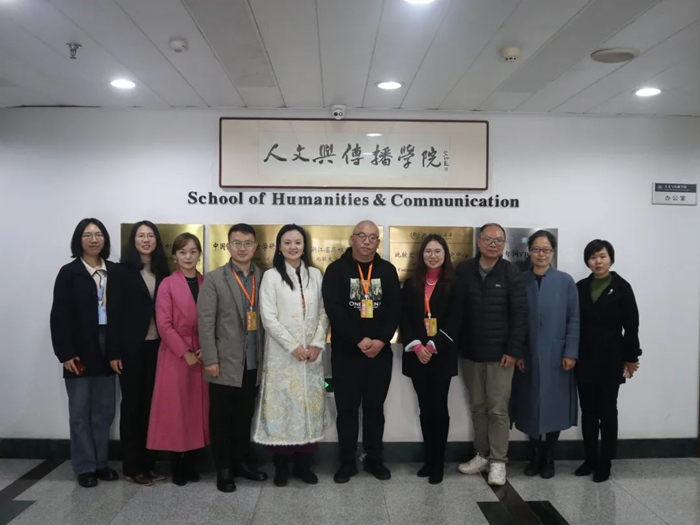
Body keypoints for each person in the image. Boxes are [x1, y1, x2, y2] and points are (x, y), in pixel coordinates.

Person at [322, 220, 401, 484]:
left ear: (378, 241)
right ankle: (347, 462)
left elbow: (394, 309)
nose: (367, 241)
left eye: (372, 237)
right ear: (351, 239)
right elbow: (334, 309)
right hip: (346, 354)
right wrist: (358, 339)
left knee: (374, 409)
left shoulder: (387, 271)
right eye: (361, 236)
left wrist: (380, 340)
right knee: (346, 410)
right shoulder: (336, 270)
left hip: (379, 354)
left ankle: (374, 459)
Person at [253, 224, 330, 487]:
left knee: (308, 408)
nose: (293, 247)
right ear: (279, 246)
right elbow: (268, 318)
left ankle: (304, 466)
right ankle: (282, 467)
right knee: (284, 410)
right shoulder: (271, 277)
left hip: (311, 357)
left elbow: (324, 312)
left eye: (298, 242)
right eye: (287, 242)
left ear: (304, 246)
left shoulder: (315, 275)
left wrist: (317, 344)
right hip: (283, 357)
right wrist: (292, 346)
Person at [50, 218, 121, 488]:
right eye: (87, 235)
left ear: (105, 240)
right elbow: (59, 316)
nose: (94, 240)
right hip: (79, 347)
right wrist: (65, 353)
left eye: (99, 234)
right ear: (78, 240)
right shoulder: (69, 273)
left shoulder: (114, 271)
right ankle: (84, 466)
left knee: (104, 410)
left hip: (108, 345)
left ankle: (101, 463)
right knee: (80, 411)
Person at [455, 223, 527, 486]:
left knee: (498, 410)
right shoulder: (464, 270)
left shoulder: (511, 272)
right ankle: (482, 455)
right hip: (470, 353)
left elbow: (520, 315)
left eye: (498, 240)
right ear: (479, 242)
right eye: (488, 239)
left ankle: (498, 461)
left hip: (501, 357)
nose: (493, 244)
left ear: (504, 244)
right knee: (477, 407)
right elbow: (456, 311)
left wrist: (513, 350)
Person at [198, 223, 267, 493]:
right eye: (236, 243)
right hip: (224, 363)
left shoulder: (263, 277)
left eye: (247, 243)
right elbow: (205, 322)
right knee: (221, 419)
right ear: (228, 246)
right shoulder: (215, 278)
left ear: (255, 246)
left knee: (243, 417)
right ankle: (224, 470)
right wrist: (210, 360)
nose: (242, 248)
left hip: (253, 363)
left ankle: (241, 464)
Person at [511, 230, 580, 479]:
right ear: (529, 252)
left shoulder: (565, 281)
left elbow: (574, 319)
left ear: (552, 252)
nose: (541, 254)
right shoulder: (520, 280)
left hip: (557, 355)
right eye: (536, 249)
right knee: (529, 404)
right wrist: (518, 351)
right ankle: (534, 455)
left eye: (546, 249)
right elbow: (514, 319)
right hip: (527, 354)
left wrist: (570, 352)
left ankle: (549, 455)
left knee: (554, 405)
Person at [109, 221, 171, 486]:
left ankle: (149, 462)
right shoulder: (121, 272)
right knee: (132, 406)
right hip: (130, 348)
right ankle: (132, 466)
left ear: (157, 240)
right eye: (141, 236)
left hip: (158, 346)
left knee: (151, 406)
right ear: (133, 240)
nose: (146, 240)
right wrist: (113, 351)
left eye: (150, 235)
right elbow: (113, 313)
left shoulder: (163, 270)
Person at [575, 239, 641, 483]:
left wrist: (631, 357)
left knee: (607, 411)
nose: (598, 262)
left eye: (602, 256)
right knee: (588, 412)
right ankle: (590, 458)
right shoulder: (580, 287)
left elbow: (632, 325)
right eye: (593, 257)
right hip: (584, 358)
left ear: (611, 258)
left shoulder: (622, 287)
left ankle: (606, 461)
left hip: (611, 359)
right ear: (587, 261)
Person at [147, 232, 209, 486]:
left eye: (193, 251)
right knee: (176, 410)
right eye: (182, 252)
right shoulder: (167, 284)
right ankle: (178, 465)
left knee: (197, 410)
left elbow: (213, 319)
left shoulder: (206, 282)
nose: (188, 257)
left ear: (199, 254)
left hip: (202, 353)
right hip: (176, 354)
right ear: (175, 256)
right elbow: (164, 324)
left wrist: (206, 347)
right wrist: (185, 352)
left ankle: (193, 462)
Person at [400, 234, 462, 485]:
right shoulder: (410, 284)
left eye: (438, 251)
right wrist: (417, 347)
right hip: (417, 357)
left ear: (445, 255)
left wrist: (433, 346)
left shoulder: (455, 284)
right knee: (425, 409)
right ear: (421, 255)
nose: (433, 255)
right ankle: (428, 459)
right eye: (428, 251)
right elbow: (404, 318)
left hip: (441, 356)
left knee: (439, 409)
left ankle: (438, 463)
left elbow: (456, 320)